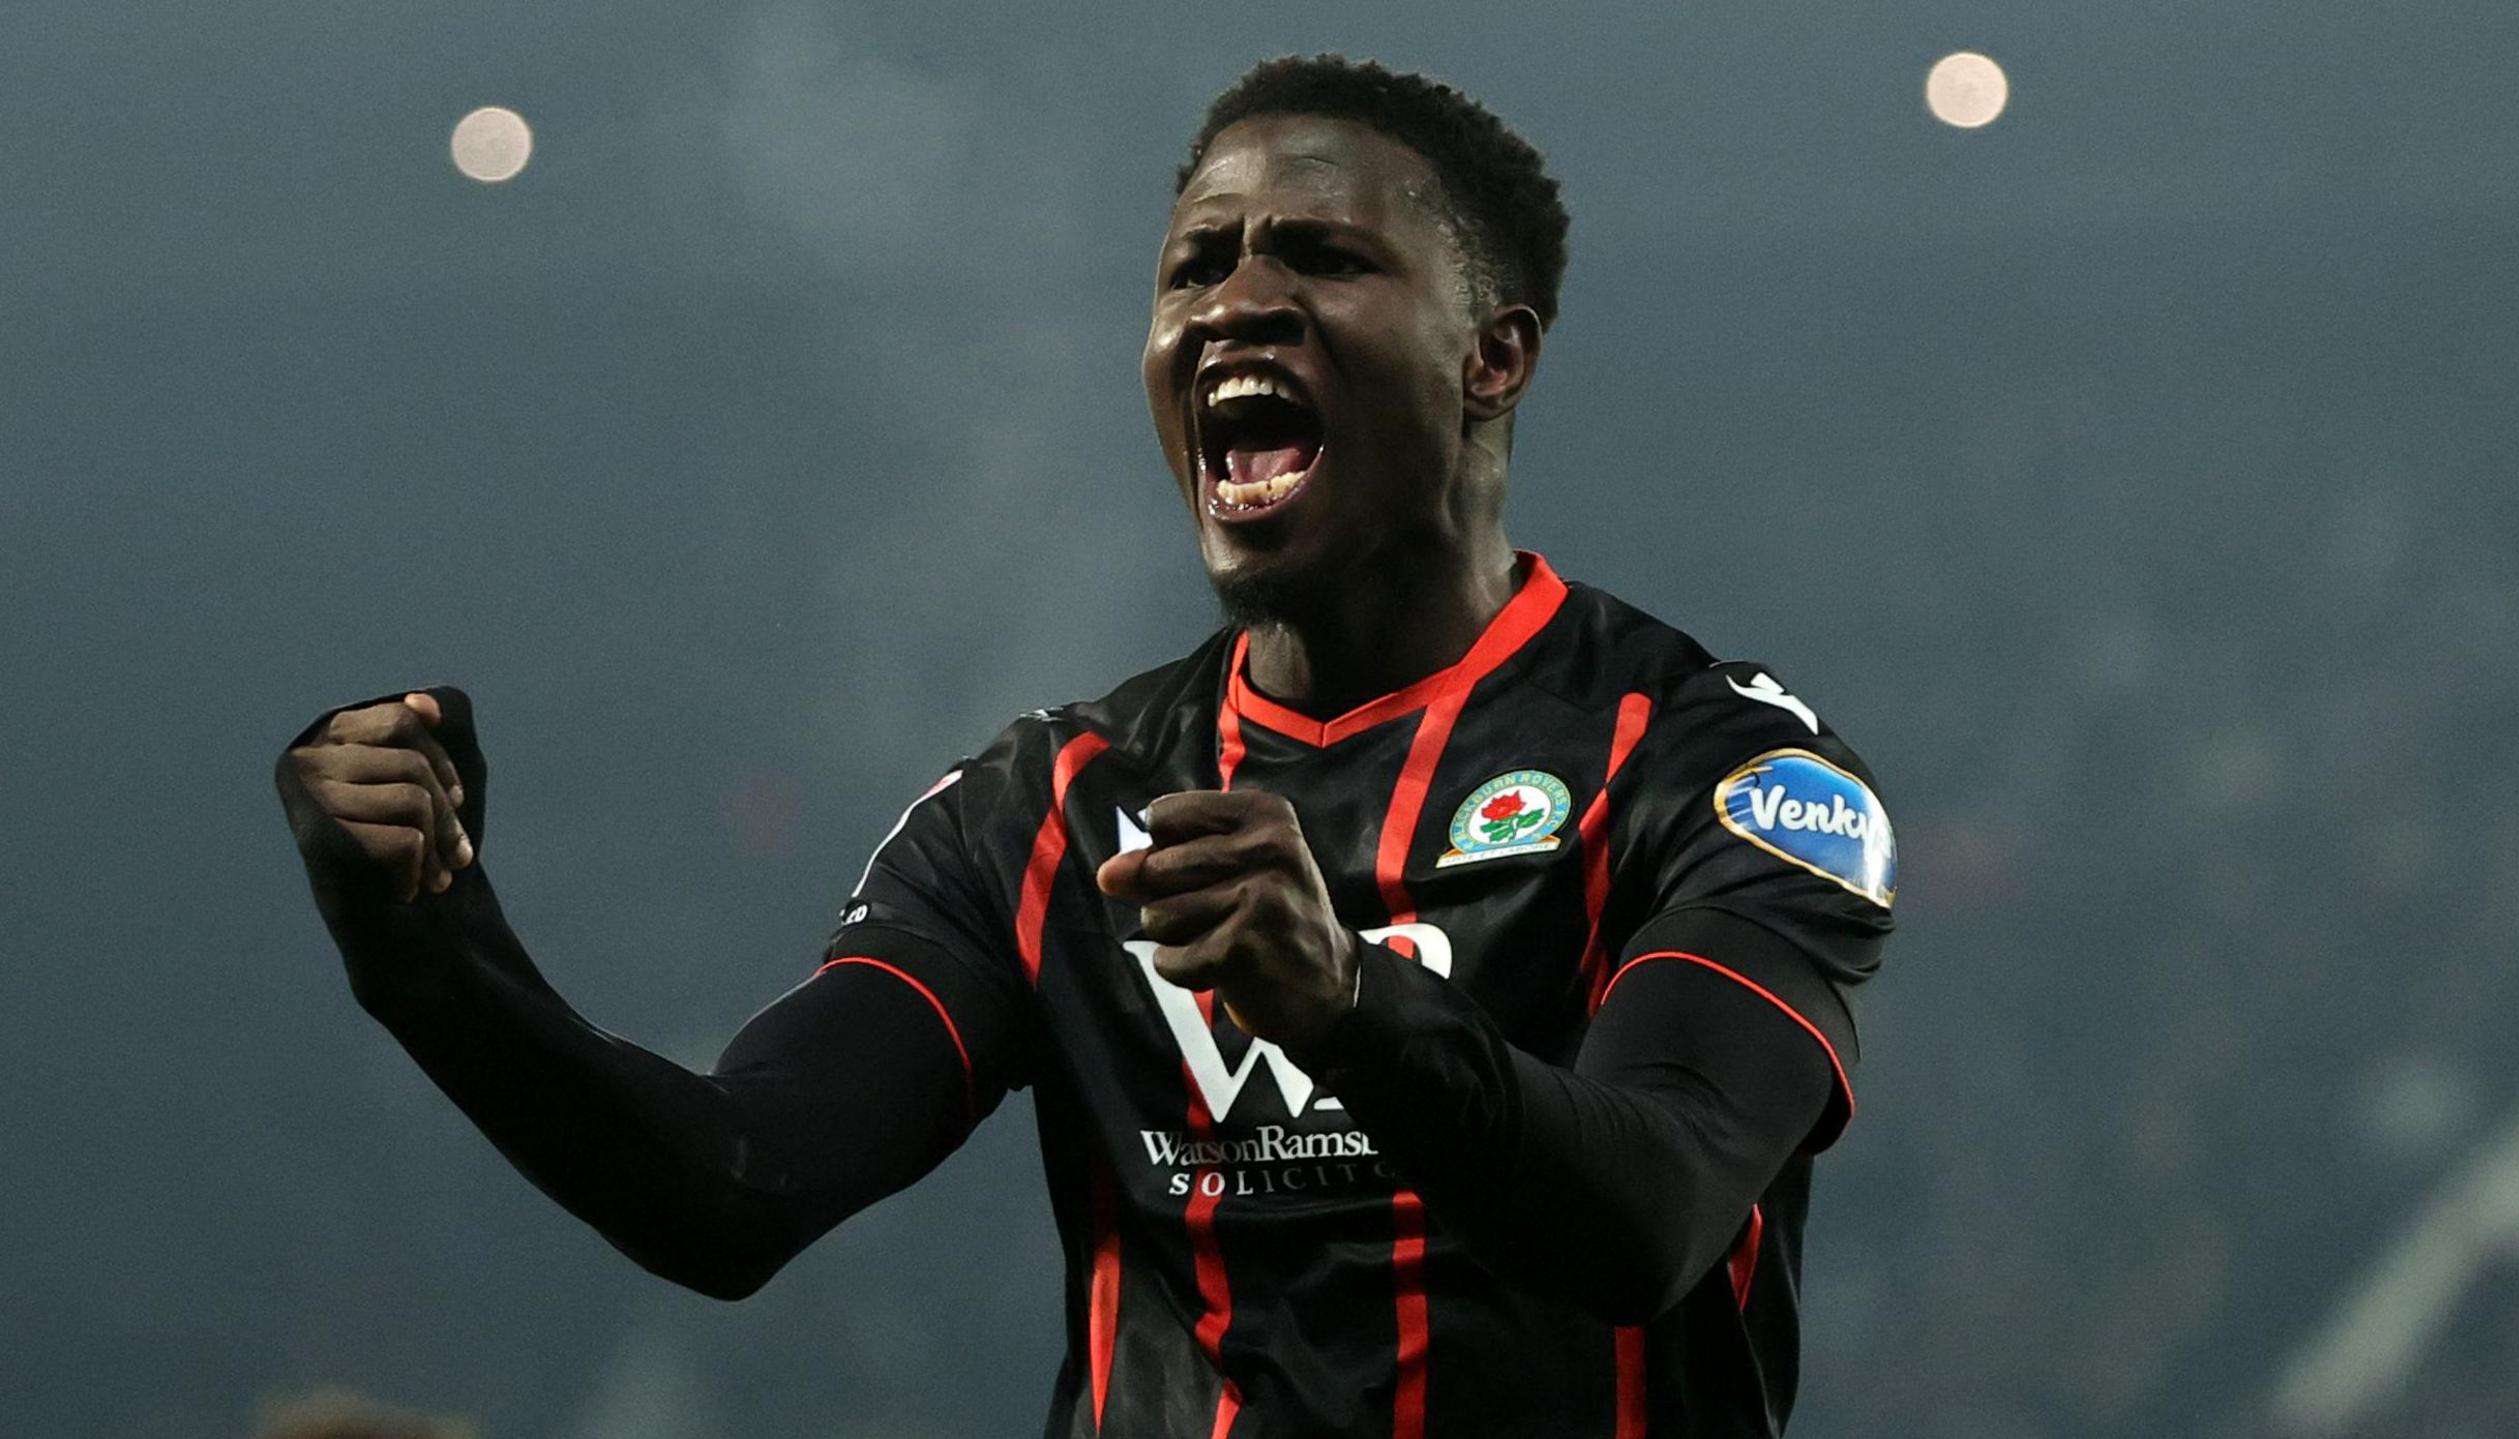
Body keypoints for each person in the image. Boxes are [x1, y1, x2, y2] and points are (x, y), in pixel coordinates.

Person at [276, 55, 1897, 1439]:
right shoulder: (1044, 811)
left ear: (1495, 355)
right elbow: (730, 1187)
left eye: (1322, 257)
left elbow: (1653, 1213)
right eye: (1195, 269)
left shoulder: (1714, 771)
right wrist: (423, 950)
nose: (1238, 300)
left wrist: (1345, 1003)